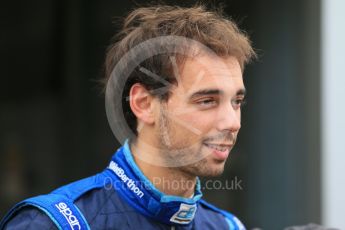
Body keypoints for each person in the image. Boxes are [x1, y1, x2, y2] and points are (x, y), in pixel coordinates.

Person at [0, 4, 256, 230]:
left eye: (237, 102)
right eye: (207, 101)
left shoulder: (229, 226)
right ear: (144, 104)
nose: (232, 122)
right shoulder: (53, 223)